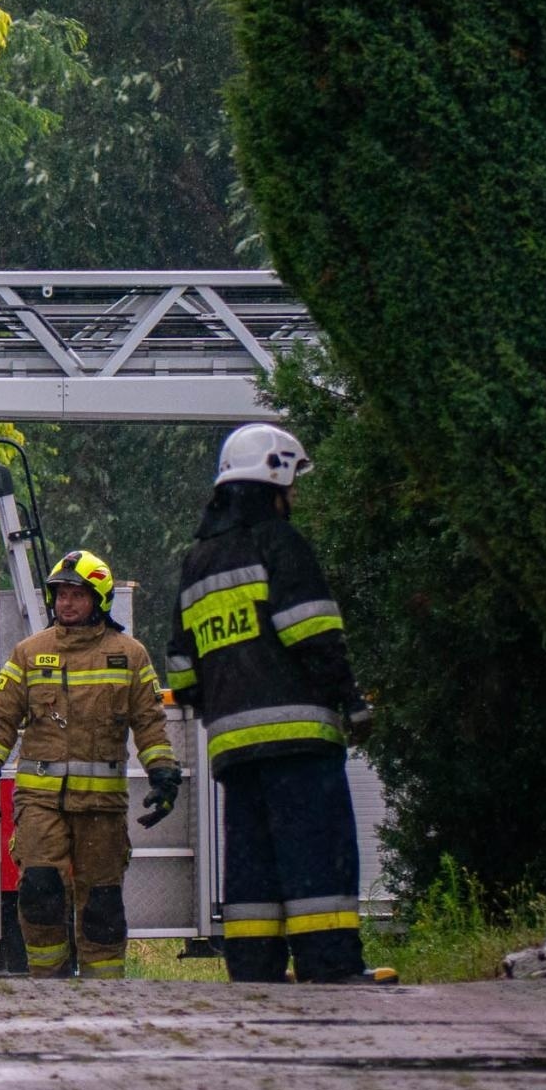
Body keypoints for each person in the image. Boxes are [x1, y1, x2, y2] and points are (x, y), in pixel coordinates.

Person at [165, 423, 393, 986]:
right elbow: (313, 631)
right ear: (275, 478)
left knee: (252, 866)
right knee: (315, 852)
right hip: (298, 738)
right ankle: (332, 968)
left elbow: (181, 666)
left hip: (232, 749)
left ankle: (254, 972)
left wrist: (217, 701)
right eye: (291, 484)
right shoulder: (279, 542)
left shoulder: (198, 561)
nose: (294, 497)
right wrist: (349, 700)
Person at [0, 549, 180, 979]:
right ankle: (48, 983)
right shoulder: (30, 652)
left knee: (102, 903)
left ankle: (105, 990)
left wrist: (164, 775)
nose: (65, 603)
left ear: (99, 599)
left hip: (101, 807)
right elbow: (1, 719)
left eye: (76, 595)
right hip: (40, 802)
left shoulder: (129, 654)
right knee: (40, 890)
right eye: (60, 594)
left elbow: (149, 723)